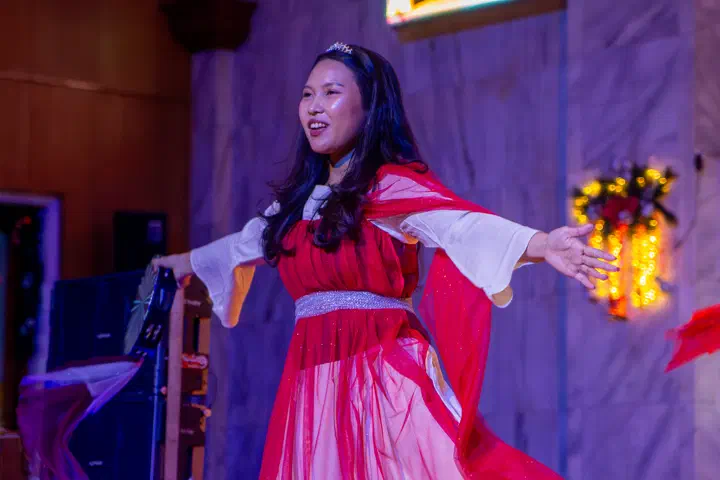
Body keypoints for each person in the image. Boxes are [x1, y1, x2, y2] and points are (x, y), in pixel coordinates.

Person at [154, 42, 617, 479]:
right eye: (307, 95)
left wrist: (543, 244)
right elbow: (237, 248)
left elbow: (461, 227)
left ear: (369, 106)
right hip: (315, 383)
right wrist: (174, 264)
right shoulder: (294, 206)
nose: (314, 107)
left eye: (331, 93)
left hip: (385, 373)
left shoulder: (388, 188)